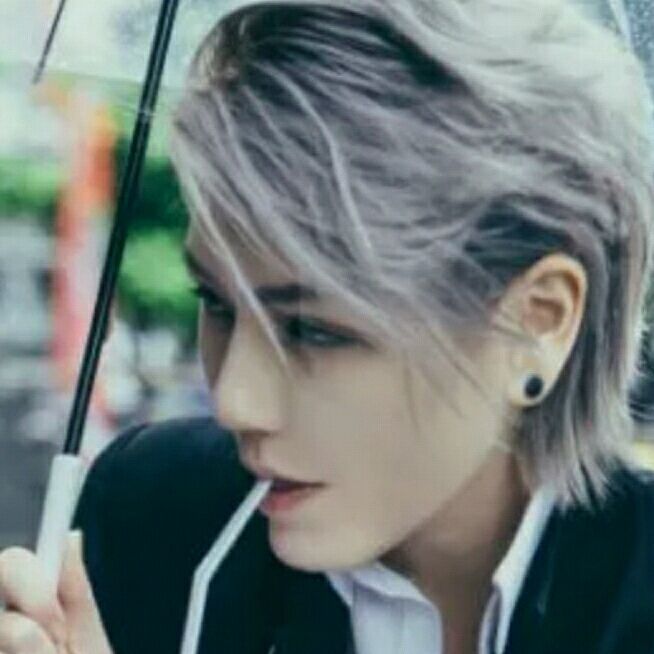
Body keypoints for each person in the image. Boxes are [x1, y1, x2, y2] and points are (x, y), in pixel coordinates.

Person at [1, 0, 654, 652]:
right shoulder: (153, 521)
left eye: (316, 331)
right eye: (217, 304)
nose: (234, 402)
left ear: (539, 321)